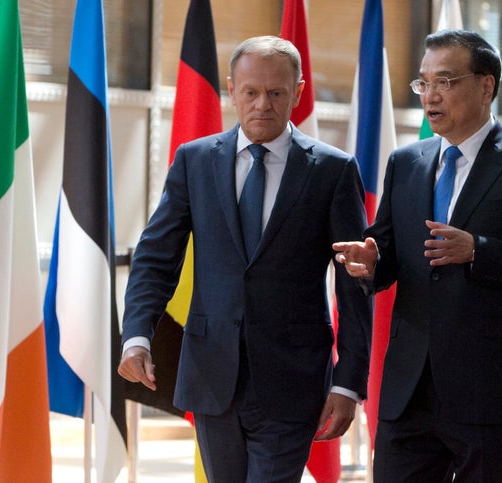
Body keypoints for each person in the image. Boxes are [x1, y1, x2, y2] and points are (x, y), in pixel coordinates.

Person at [118, 35, 372, 482]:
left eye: (276, 93)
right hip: (212, 375)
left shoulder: (333, 170)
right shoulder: (194, 161)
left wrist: (347, 382)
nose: (262, 105)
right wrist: (137, 335)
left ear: (297, 92)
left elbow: (354, 282)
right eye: (251, 92)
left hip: (293, 379)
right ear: (232, 89)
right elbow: (157, 257)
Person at [333, 29, 502, 482]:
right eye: (423, 84)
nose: (431, 95)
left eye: (445, 81)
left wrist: (478, 251)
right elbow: (387, 251)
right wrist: (369, 263)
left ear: (486, 86)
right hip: (409, 389)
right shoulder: (406, 163)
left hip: (488, 390)